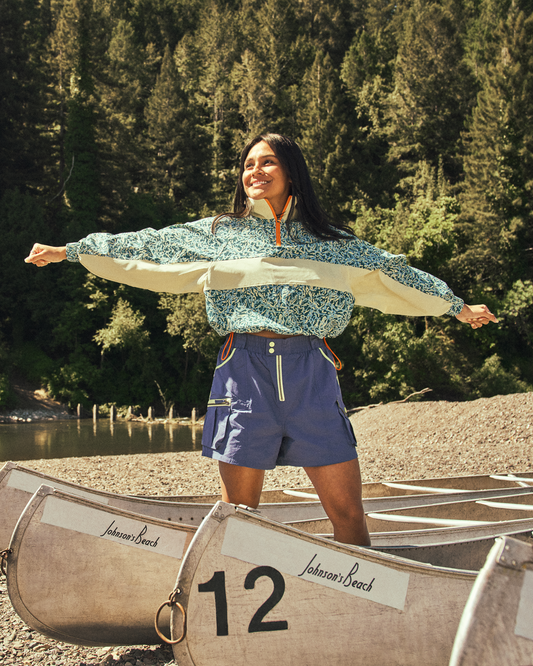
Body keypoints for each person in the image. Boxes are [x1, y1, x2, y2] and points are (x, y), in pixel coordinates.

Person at [25, 133, 497, 546]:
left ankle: (363, 597)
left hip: (311, 372)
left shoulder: (334, 243)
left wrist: (457, 307)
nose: (255, 171)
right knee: (238, 514)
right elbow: (148, 243)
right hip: (243, 370)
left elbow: (396, 272)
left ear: (292, 172)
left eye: (267, 161)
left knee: (348, 513)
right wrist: (72, 251)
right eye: (248, 164)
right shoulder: (219, 234)